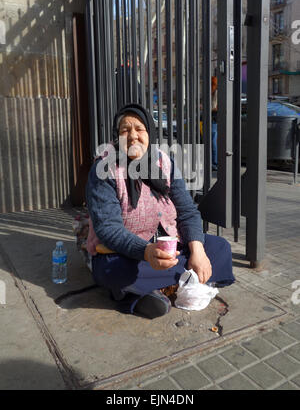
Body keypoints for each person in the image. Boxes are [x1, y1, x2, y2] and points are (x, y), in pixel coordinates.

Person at [85, 103, 234, 319]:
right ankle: (178, 282)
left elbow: (187, 211)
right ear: (117, 137)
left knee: (221, 248)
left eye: (139, 129)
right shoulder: (104, 170)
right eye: (125, 130)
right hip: (131, 253)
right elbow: (108, 228)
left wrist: (197, 251)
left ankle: (151, 290)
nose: (133, 136)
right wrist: (146, 251)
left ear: (150, 133)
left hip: (174, 246)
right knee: (111, 271)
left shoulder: (165, 162)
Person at [211, 76, 218, 171]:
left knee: (213, 142)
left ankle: (214, 162)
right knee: (213, 142)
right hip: (213, 120)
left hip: (214, 120)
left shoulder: (216, 93)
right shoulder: (213, 93)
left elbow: (215, 107)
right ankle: (213, 162)